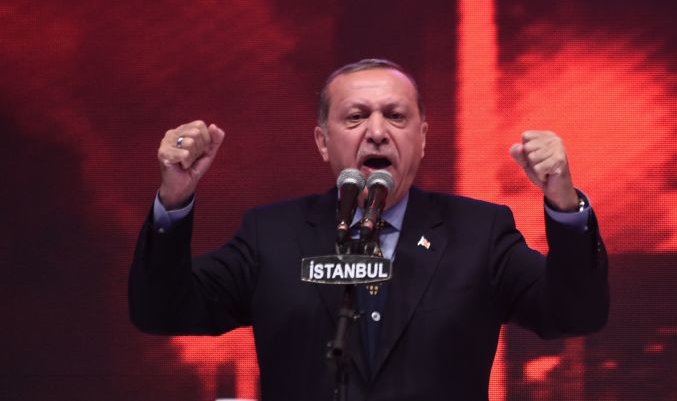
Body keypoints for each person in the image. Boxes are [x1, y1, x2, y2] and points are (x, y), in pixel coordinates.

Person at [129, 58, 609, 401]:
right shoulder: (272, 235)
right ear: (323, 142)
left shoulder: (478, 233)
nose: (377, 131)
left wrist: (564, 204)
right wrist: (174, 199)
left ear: (422, 138)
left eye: (396, 116)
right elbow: (161, 311)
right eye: (356, 116)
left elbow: (575, 315)